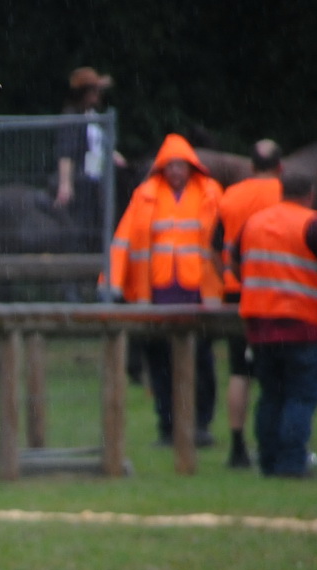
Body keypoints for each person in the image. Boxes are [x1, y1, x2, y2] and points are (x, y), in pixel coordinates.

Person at [228, 173, 317, 477]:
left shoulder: (254, 223)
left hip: (260, 326)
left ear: (281, 193)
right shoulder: (314, 224)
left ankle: (268, 461)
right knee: (300, 396)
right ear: (310, 195)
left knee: (271, 395)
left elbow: (233, 262)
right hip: (303, 325)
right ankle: (292, 463)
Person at [107, 133, 224, 447]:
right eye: (170, 166)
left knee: (201, 361)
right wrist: (112, 284)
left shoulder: (211, 193)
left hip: (198, 294)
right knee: (160, 364)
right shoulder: (145, 194)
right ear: (161, 167)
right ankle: (168, 427)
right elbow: (123, 240)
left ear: (191, 167)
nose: (175, 171)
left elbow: (223, 241)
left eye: (180, 165)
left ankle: (200, 425)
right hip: (156, 294)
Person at [214, 140, 284, 469]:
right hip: (279, 291)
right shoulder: (288, 194)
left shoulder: (230, 196)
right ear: (280, 166)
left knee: (239, 370)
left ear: (251, 166)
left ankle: (238, 447)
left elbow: (214, 246)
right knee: (280, 368)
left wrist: (227, 275)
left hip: (238, 292)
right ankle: (280, 442)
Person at [54, 67, 118, 250]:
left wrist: (115, 157)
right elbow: (66, 151)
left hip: (98, 178)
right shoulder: (71, 116)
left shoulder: (93, 116)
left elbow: (100, 146)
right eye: (94, 91)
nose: (98, 95)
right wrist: (65, 183)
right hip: (83, 179)